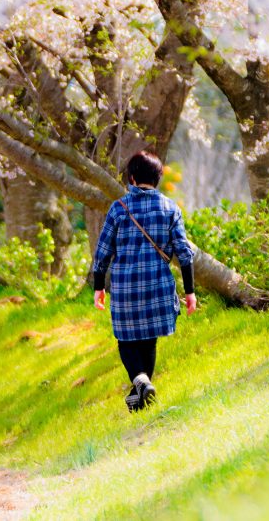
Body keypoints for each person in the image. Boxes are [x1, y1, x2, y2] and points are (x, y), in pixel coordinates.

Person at [91, 149, 198, 412]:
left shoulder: (119, 208)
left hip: (126, 288)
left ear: (132, 178)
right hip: (158, 287)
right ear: (158, 177)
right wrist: (190, 291)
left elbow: (103, 251)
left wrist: (97, 287)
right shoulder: (170, 208)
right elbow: (184, 253)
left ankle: (140, 382)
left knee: (126, 340)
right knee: (149, 339)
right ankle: (141, 397)